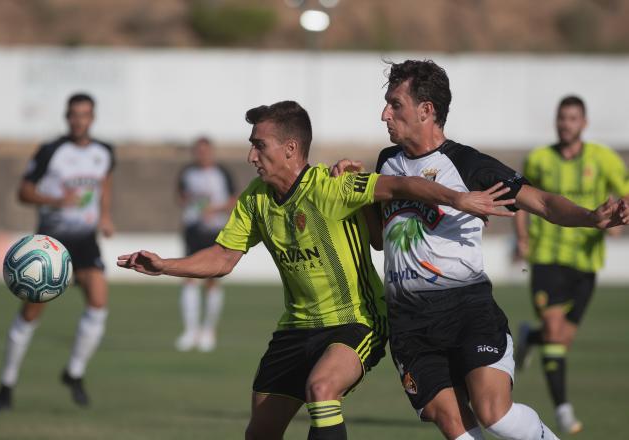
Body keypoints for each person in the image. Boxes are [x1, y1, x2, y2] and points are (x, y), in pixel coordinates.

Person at [118, 100, 515, 440]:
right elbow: (223, 257)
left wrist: (459, 198)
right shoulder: (256, 199)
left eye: (259, 146)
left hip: (355, 321)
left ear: (290, 148)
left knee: (321, 388)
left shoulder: (331, 186)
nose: (251, 156)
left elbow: (401, 187)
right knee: (260, 432)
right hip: (296, 328)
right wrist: (164, 265)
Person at [332, 60, 629, 440]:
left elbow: (542, 203)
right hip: (409, 322)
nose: (384, 114)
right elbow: (378, 239)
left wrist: (591, 217)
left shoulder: (469, 165)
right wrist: (354, 192)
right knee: (453, 424)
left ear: (427, 110)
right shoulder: (386, 163)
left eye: (395, 104)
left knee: (495, 414)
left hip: (466, 310)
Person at [513, 95, 629, 434]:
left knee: (560, 340)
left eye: (573, 118)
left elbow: (625, 193)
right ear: (556, 121)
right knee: (554, 332)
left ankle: (529, 338)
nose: (566, 124)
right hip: (547, 257)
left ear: (584, 123)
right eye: (562, 118)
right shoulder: (538, 159)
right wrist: (522, 239)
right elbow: (520, 199)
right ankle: (563, 410)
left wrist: (621, 216)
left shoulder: (602, 158)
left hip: (585, 262)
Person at [0, 93, 115, 410]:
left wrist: (105, 216)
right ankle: (7, 381)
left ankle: (74, 372)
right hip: (50, 245)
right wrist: (54, 201)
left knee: (99, 303)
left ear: (93, 117)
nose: (79, 120)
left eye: (85, 114)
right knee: (31, 313)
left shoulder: (104, 152)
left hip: (86, 240)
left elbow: (104, 184)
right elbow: (23, 191)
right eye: (74, 114)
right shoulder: (51, 151)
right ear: (67, 117)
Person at [175, 136, 237, 352]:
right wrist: (191, 203)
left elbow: (234, 200)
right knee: (189, 278)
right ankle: (190, 330)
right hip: (193, 230)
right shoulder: (187, 173)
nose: (202, 155)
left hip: (215, 232)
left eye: (205, 151)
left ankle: (208, 330)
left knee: (212, 280)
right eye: (198, 151)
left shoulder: (222, 173)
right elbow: (181, 197)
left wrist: (215, 209)